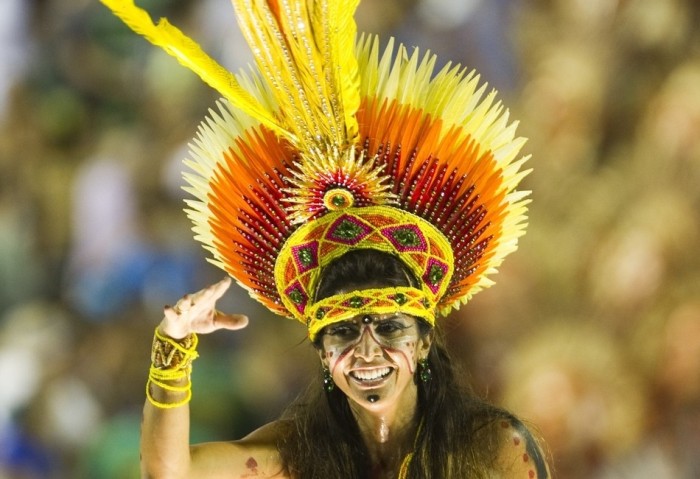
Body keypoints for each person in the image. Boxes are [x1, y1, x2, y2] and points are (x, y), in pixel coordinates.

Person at [102, 0, 551, 477]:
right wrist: (173, 346)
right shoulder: (295, 456)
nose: (367, 352)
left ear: (424, 341)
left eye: (390, 327)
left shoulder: (492, 449)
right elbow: (170, 474)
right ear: (321, 351)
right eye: (342, 331)